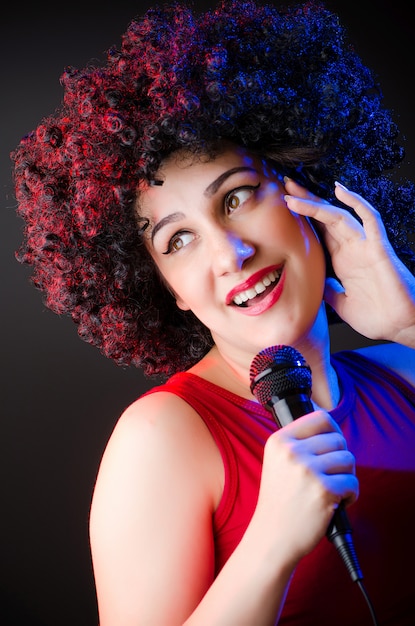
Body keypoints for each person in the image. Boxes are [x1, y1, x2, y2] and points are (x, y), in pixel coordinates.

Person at [11, 0, 415, 624]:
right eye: (178, 239)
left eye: (238, 196)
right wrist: (271, 545)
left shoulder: (403, 367)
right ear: (169, 287)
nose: (230, 253)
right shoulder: (162, 440)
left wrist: (409, 321)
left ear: (300, 184)